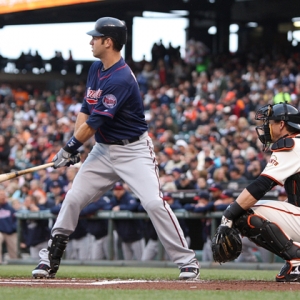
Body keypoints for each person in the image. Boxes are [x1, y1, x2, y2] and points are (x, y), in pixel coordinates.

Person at [32, 17, 199, 280]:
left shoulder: (121, 77)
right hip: (103, 150)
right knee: (73, 198)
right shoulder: (96, 69)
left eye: (95, 38)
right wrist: (74, 145)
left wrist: (70, 147)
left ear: (108, 42)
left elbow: (97, 121)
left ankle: (187, 261)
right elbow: (86, 110)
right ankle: (50, 258)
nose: (91, 41)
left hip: (133, 151)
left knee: (154, 203)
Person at [212, 102, 300, 282]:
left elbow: (261, 185)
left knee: (243, 212)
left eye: (269, 122)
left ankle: (297, 260)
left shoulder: (292, 144)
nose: (265, 127)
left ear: (281, 124)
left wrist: (229, 214)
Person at [0, 187, 18, 263]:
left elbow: (17, 219)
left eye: (4, 195)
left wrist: (13, 228)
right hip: (0, 232)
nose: (2, 197)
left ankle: (15, 264)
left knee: (14, 251)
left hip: (10, 232)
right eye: (1, 195)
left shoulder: (10, 207)